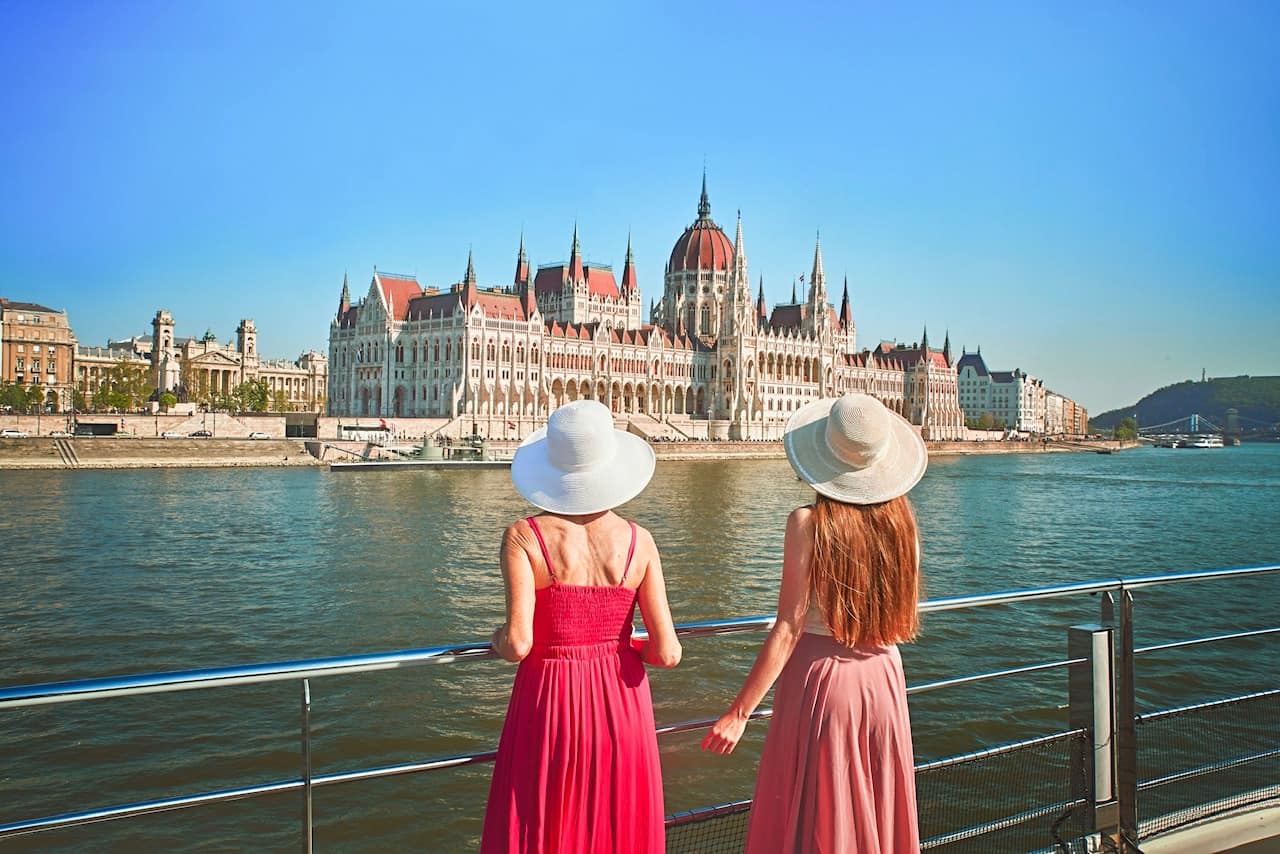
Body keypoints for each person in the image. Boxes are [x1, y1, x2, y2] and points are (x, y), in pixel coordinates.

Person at [702, 392, 926, 853]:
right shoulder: (903, 524)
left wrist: (739, 712)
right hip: (884, 677)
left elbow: (788, 628)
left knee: (820, 811)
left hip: (825, 684)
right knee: (873, 802)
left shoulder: (807, 523)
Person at [483, 399, 682, 854]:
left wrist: (493, 639)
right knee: (615, 830)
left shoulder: (524, 537)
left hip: (550, 701)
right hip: (622, 702)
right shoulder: (640, 541)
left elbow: (517, 642)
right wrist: (624, 646)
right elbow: (668, 653)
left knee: (546, 826)